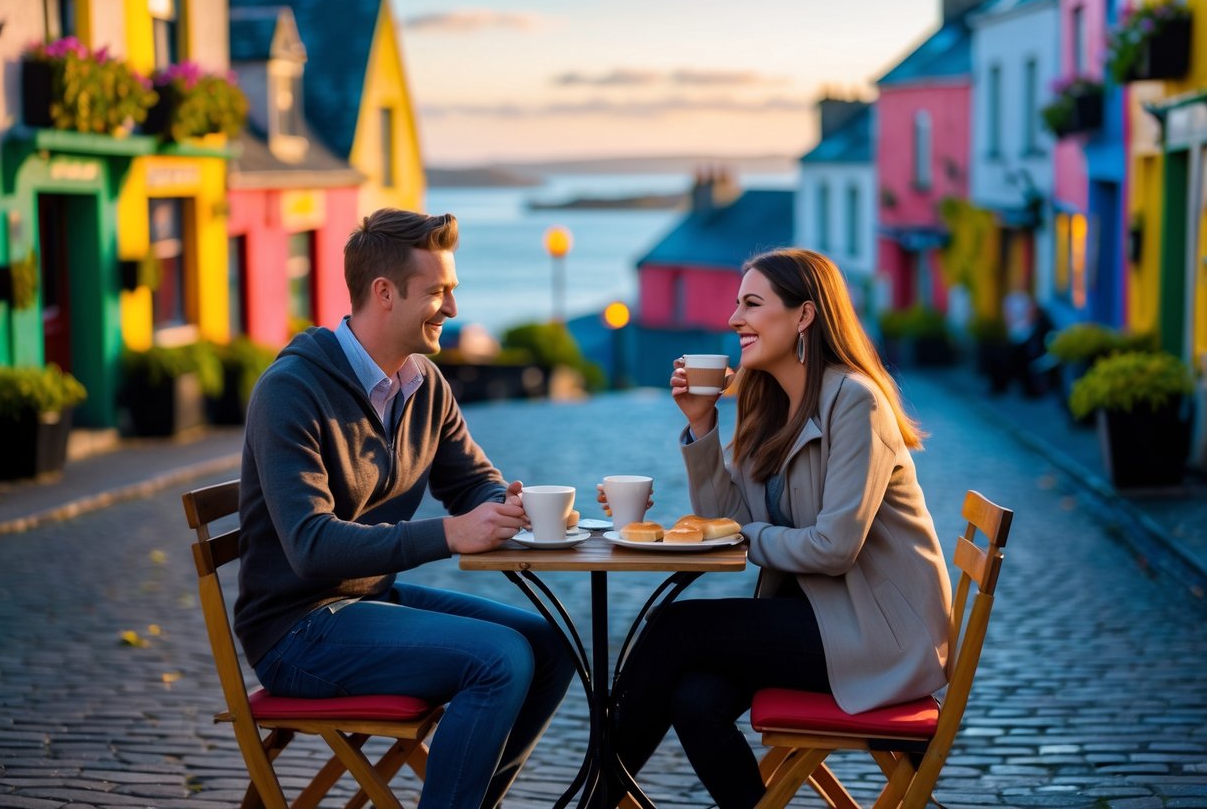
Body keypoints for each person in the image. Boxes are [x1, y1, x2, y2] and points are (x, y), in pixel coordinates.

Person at [234, 208, 574, 809]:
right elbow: (311, 546)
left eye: (453, 291)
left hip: (367, 601)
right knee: (499, 659)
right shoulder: (291, 390)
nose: (452, 309)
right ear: (384, 293)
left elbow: (472, 482)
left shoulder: (423, 383)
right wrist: (449, 533)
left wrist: (508, 508)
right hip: (297, 630)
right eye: (438, 292)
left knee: (549, 647)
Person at [609, 248, 953, 809]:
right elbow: (730, 516)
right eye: (735, 304)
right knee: (695, 700)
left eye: (751, 303)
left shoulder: (855, 403)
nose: (733, 319)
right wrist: (701, 425)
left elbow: (833, 547)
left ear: (805, 316)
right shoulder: (767, 402)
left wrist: (747, 539)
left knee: (677, 628)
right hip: (821, 615)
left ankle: (594, 794)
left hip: (880, 634)